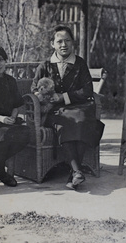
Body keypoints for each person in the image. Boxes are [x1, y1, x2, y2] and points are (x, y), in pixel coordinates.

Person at [31, 25, 104, 190]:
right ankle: (77, 171)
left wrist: (63, 97)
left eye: (68, 41)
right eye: (59, 41)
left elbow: (87, 91)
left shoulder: (80, 64)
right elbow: (33, 88)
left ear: (73, 43)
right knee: (67, 122)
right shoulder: (45, 66)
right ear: (52, 44)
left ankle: (75, 173)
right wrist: (43, 95)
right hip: (54, 111)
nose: (64, 45)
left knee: (82, 120)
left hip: (79, 107)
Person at [0, 44, 29, 188]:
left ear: (5, 60)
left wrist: (13, 117)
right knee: (4, 132)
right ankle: (0, 170)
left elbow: (16, 104)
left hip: (9, 121)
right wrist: (1, 118)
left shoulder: (10, 81)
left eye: (0, 60)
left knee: (27, 134)